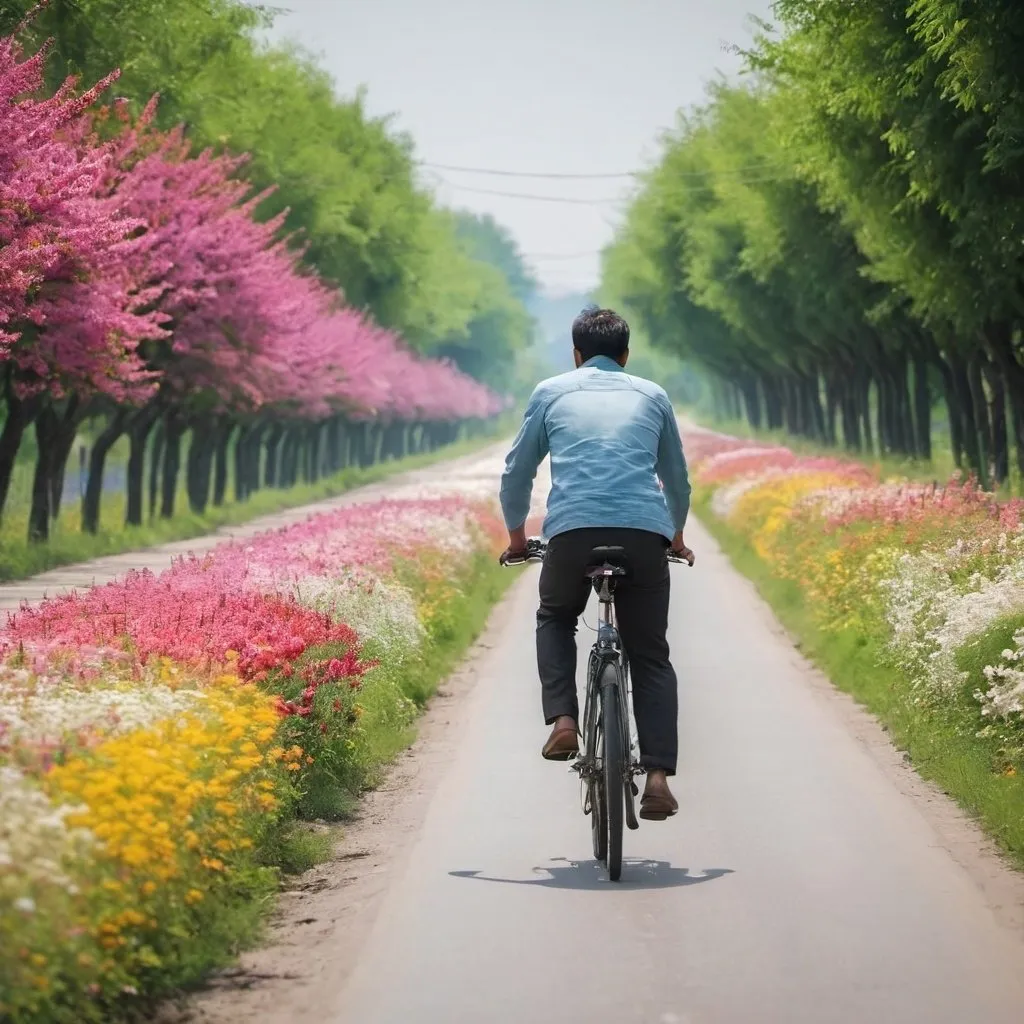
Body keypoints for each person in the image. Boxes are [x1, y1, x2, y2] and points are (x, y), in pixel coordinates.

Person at [499, 305, 693, 821]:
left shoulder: (550, 392)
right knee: (650, 655)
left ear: (576, 354)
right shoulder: (653, 395)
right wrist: (675, 535)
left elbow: (517, 473)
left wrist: (518, 539)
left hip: (572, 533)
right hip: (643, 534)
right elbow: (676, 477)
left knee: (556, 616)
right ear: (626, 356)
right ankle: (656, 776)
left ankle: (563, 720)